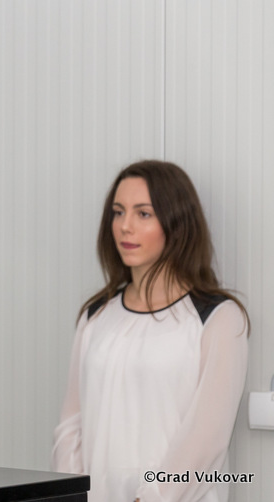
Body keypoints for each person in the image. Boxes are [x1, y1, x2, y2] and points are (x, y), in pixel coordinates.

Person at [52, 160, 249, 502]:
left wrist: (151, 498)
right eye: (118, 212)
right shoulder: (96, 315)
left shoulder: (219, 317)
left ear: (177, 224)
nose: (125, 226)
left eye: (143, 213)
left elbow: (207, 438)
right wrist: (69, 496)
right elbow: (71, 426)